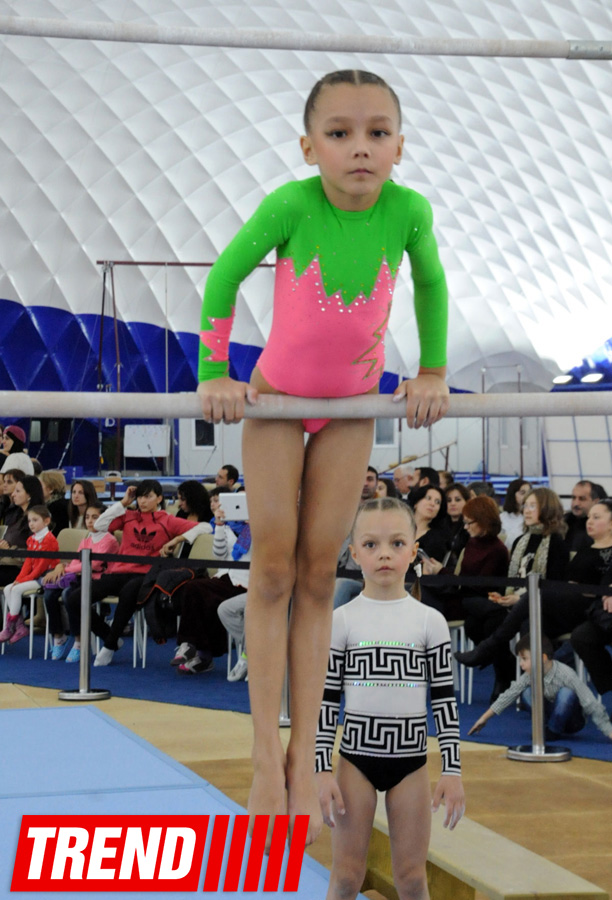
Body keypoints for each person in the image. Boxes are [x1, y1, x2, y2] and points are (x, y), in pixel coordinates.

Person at [197, 68, 450, 846]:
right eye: (339, 134)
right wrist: (215, 373)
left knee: (316, 574)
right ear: (310, 147)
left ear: (400, 146)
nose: (360, 149)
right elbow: (225, 276)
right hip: (274, 401)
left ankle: (308, 753)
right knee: (271, 571)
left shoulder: (409, 210)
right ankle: (261, 758)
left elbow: (431, 286)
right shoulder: (290, 203)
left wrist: (433, 370)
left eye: (377, 133)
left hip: (350, 409)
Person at [315, 498, 464, 900]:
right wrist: (320, 769)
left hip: (411, 765)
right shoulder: (342, 620)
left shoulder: (429, 621)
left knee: (412, 879)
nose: (384, 554)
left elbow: (444, 703)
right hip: (354, 763)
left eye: (397, 543)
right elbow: (327, 701)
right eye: (371, 545)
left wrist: (452, 770)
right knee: (346, 876)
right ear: (354, 553)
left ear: (414, 551)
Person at [62, 480, 212, 666]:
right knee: (75, 599)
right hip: (120, 571)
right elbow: (100, 525)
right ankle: (111, 637)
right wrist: (123, 502)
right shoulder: (128, 516)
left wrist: (178, 539)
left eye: (148, 496)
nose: (142, 501)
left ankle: (108, 646)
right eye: (140, 496)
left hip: (146, 575)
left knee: (128, 592)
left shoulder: (167, 520)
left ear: (158, 498)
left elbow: (206, 527)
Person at [455, 488, 569, 673]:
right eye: (525, 505)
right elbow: (512, 580)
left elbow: (553, 587)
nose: (527, 510)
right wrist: (504, 596)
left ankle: (495, 659)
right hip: (520, 602)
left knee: (524, 624)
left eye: (533, 506)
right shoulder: (520, 541)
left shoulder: (556, 544)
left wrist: (519, 598)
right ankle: (504, 678)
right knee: (477, 622)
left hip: (545, 607)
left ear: (547, 509)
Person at [468, 634, 612, 742]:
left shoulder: (567, 674)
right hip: (549, 715)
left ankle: (551, 731)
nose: (521, 664)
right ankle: (546, 727)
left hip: (572, 721)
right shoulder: (529, 675)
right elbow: (509, 695)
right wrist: (484, 718)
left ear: (542, 658)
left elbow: (590, 703)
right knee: (526, 693)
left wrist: (609, 731)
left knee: (566, 694)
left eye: (524, 659)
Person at [167, 499, 251, 674]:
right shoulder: (228, 526)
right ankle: (195, 649)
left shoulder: (264, 528)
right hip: (225, 578)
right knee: (195, 591)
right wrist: (220, 525)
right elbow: (219, 554)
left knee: (200, 592)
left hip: (246, 582)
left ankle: (198, 651)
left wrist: (254, 525)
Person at [42, 501, 120, 661]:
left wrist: (64, 568)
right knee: (49, 593)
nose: (90, 521)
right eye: (88, 517)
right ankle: (58, 636)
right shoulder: (87, 539)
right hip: (79, 576)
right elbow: (78, 562)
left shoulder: (109, 540)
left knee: (68, 596)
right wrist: (63, 567)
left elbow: (93, 564)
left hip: (99, 579)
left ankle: (79, 640)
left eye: (95, 517)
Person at [0, 504, 59, 645]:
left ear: (46, 521)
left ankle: (9, 627)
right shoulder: (31, 540)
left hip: (45, 577)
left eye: (35, 520)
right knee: (9, 588)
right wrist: (19, 578)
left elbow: (41, 567)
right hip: (34, 575)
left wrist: (23, 581)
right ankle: (19, 626)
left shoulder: (49, 540)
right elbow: (28, 563)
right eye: (29, 521)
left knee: (17, 589)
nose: (31, 524)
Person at [0, 475, 45, 587]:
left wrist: (10, 550)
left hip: (20, 569)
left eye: (18, 491)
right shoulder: (16, 515)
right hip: (6, 564)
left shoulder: (37, 520)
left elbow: (35, 552)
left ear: (29, 495)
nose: (13, 494)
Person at [408, 484, 449, 562]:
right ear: (416, 503)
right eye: (428, 498)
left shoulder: (437, 539)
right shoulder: (399, 528)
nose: (432, 504)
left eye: (437, 502)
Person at [563, 480, 607, 553]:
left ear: (596, 501)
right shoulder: (565, 521)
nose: (576, 503)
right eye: (574, 498)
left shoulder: (603, 526)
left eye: (582, 499)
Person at [499, 478, 531, 550]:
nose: (527, 496)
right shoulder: (501, 518)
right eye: (522, 493)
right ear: (512, 494)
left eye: (529, 493)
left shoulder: (531, 518)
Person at [39, 470, 70, 535]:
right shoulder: (52, 505)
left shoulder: (57, 508)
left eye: (40, 485)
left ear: (50, 489)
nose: (37, 488)